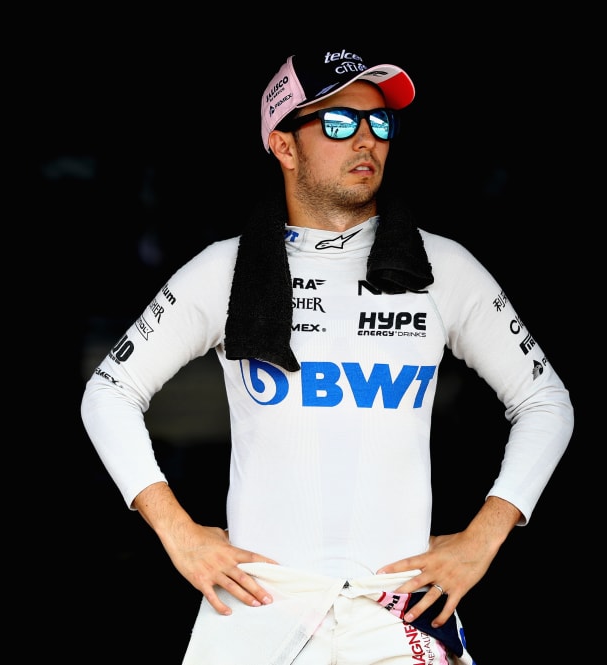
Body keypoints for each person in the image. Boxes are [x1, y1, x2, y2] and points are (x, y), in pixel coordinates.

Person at [79, 48, 573, 664]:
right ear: (283, 146)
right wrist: (178, 533)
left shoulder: (442, 268)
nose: (367, 140)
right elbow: (109, 391)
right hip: (258, 609)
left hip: (397, 610)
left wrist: (484, 537)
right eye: (339, 123)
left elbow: (545, 401)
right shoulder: (223, 269)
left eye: (379, 122)